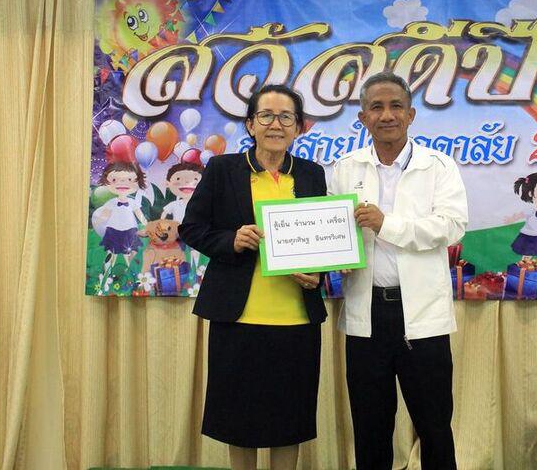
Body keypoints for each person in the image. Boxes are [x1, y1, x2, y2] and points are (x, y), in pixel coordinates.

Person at [179, 85, 327, 470]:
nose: (276, 124)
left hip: (297, 319)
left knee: (290, 422)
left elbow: (324, 240)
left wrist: (318, 274)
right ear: (250, 124)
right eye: (266, 116)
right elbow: (192, 228)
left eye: (286, 117)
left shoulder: (312, 175)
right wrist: (231, 240)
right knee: (237, 422)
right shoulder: (222, 169)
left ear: (300, 127)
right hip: (237, 317)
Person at [329, 72, 468, 470]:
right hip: (367, 314)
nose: (386, 115)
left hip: (421, 315)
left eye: (395, 106)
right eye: (376, 107)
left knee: (434, 425)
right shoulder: (345, 168)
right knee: (370, 427)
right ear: (362, 118)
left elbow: (452, 226)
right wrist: (331, 256)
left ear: (411, 114)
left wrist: (386, 224)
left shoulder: (438, 166)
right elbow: (334, 231)